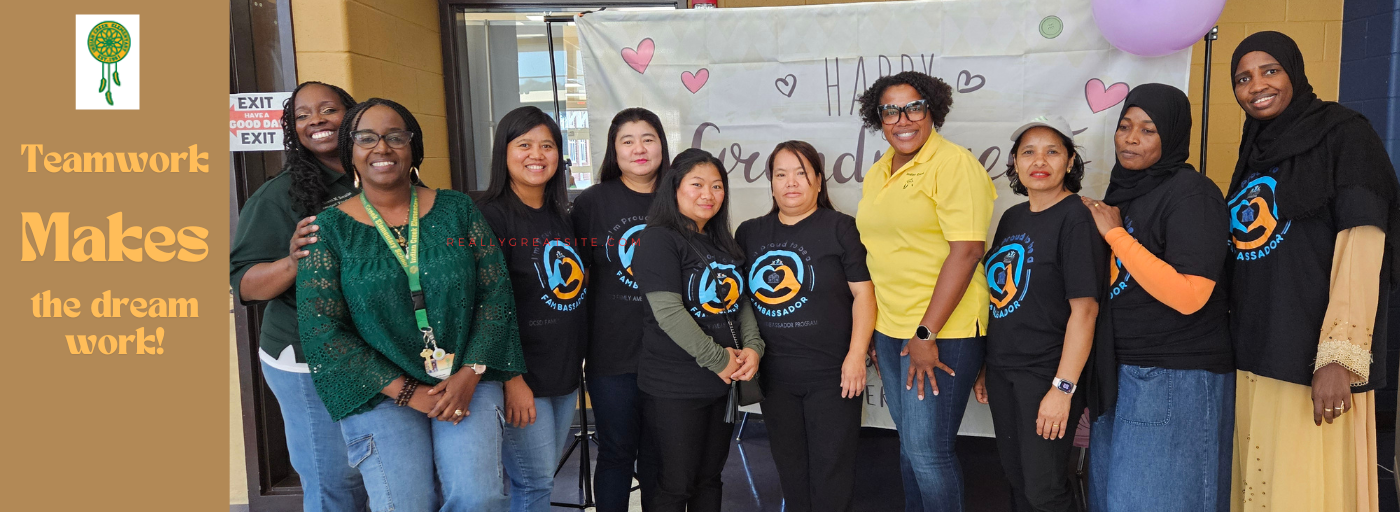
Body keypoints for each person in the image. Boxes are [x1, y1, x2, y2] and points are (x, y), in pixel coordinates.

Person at [296, 98, 525, 512]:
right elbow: (322, 331)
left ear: (413, 148)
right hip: (380, 391)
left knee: (479, 498)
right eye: (366, 138)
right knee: (405, 504)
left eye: (395, 137)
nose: (381, 148)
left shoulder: (456, 209)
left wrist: (471, 373)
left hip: (465, 376)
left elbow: (496, 295)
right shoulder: (329, 229)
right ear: (350, 150)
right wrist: (407, 392)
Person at [1227, 31, 1399, 512]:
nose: (1256, 85)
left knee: (1306, 491)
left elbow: (1363, 245)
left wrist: (1339, 358)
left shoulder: (1345, 134)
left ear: (1294, 72)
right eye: (1243, 78)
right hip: (1258, 352)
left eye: (1269, 70)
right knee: (1261, 488)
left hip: (1315, 361)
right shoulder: (1255, 149)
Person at [1079, 84, 1234, 511]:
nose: (1131, 138)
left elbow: (1190, 295)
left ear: (1171, 136)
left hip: (1173, 373)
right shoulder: (1124, 193)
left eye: (1148, 130)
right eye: (1125, 126)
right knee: (1114, 502)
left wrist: (1114, 235)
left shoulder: (1192, 194)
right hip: (1122, 371)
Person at [854, 70, 996, 511]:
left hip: (940, 333)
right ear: (878, 118)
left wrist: (924, 334)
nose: (902, 119)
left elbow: (968, 250)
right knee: (911, 448)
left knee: (928, 454)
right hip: (893, 329)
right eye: (889, 110)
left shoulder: (953, 164)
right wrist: (883, 331)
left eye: (913, 107)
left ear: (932, 109)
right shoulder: (879, 170)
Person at [229, 81, 367, 512]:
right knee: (334, 481)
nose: (317, 121)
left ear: (353, 115)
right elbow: (245, 285)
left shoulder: (383, 174)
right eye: (303, 115)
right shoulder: (278, 195)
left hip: (372, 351)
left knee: (375, 471)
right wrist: (292, 260)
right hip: (308, 356)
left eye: (328, 109)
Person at [972, 116, 1104, 512]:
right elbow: (1002, 298)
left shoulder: (1076, 218)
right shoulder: (1013, 217)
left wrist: (1062, 390)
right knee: (1016, 480)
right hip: (1002, 371)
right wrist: (985, 366)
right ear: (1014, 162)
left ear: (1070, 161)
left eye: (1052, 151)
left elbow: (1086, 310)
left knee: (1045, 490)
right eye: (1028, 151)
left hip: (1046, 374)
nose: (1039, 160)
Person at [735, 141, 875, 512]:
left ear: (818, 181)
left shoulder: (841, 227)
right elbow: (740, 301)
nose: (791, 183)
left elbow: (864, 295)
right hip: (775, 375)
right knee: (790, 469)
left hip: (833, 374)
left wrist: (856, 355)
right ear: (771, 182)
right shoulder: (750, 233)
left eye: (801, 173)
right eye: (781, 174)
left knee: (832, 471)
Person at [633, 148, 766, 512]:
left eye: (717, 186)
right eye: (697, 184)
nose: (708, 194)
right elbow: (668, 313)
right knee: (676, 484)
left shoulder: (723, 241)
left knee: (710, 478)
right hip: (675, 386)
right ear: (674, 188)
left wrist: (753, 348)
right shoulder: (659, 239)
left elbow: (742, 304)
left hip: (723, 384)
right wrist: (718, 360)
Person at [478, 106, 587, 512]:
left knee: (540, 480)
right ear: (504, 153)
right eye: (524, 144)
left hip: (562, 370)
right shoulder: (490, 216)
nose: (536, 154)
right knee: (534, 483)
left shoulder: (560, 214)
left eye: (547, 145)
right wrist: (511, 379)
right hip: (522, 376)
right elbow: (488, 305)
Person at [571, 107, 670, 511]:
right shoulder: (593, 201)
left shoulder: (680, 195)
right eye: (627, 141)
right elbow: (578, 275)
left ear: (662, 143)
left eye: (648, 138)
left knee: (659, 458)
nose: (639, 149)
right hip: (611, 353)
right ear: (614, 150)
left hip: (671, 353)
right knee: (615, 453)